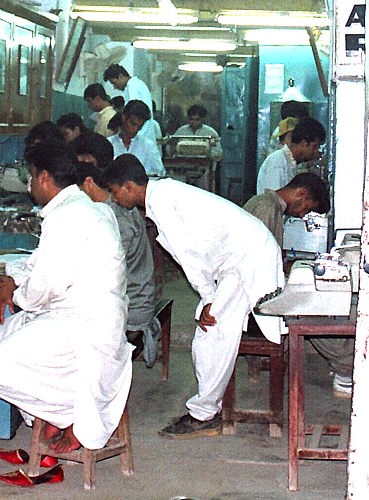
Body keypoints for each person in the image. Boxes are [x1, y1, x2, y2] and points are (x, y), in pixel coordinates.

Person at [104, 155, 284, 439]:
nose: (115, 199)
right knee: (209, 331)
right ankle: (207, 408)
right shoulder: (162, 195)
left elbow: (189, 255)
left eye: (115, 192)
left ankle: (204, 414)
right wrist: (209, 296)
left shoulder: (163, 201)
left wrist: (208, 296)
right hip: (239, 257)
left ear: (128, 186)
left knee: (213, 332)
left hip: (248, 258)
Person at [0, 142, 132, 454]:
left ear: (44, 177)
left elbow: (46, 286)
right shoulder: (86, 207)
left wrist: (15, 294)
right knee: (3, 333)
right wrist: (13, 278)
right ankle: (50, 417)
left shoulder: (68, 216)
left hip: (84, 323)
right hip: (81, 317)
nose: (29, 185)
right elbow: (39, 264)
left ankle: (72, 419)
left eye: (31, 177)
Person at [243, 173, 354, 398]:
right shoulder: (267, 208)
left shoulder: (269, 205)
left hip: (257, 287)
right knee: (313, 311)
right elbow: (252, 262)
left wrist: (294, 265)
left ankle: (345, 365)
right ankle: (345, 372)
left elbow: (268, 255)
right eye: (306, 208)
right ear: (301, 193)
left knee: (319, 298)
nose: (302, 214)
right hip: (249, 300)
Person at [70, 133, 159, 366]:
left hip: (133, 305)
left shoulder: (118, 215)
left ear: (88, 184)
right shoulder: (107, 207)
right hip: (129, 294)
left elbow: (107, 271)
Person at [257, 117, 326, 194]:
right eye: (314, 147)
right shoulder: (279, 162)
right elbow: (275, 198)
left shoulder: (290, 162)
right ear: (304, 143)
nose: (316, 151)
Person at [108, 100, 165, 176]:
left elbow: (159, 173)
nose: (135, 129)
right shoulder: (109, 144)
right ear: (123, 118)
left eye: (139, 126)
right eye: (133, 124)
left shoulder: (148, 146)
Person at [103, 64, 156, 145]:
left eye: (114, 83)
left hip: (139, 135)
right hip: (143, 135)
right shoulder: (138, 84)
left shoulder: (132, 87)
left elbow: (134, 113)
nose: (114, 87)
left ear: (120, 76)